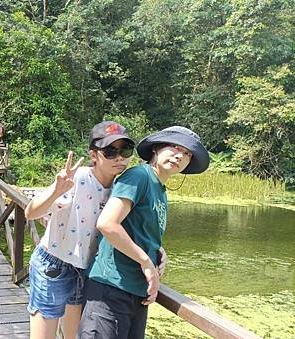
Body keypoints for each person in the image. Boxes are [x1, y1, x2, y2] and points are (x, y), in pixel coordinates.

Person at [78, 126, 210, 339]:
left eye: (187, 154)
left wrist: (157, 251)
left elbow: (139, 229)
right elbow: (108, 224)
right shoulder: (139, 176)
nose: (180, 155)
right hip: (111, 288)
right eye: (175, 147)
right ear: (157, 149)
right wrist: (146, 262)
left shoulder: (160, 189)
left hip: (137, 292)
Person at [24, 121, 138, 339]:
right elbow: (31, 213)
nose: (119, 158)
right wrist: (56, 191)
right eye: (110, 151)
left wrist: (156, 252)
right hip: (54, 266)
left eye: (125, 151)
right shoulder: (78, 178)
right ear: (94, 155)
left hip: (87, 270)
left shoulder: (122, 188)